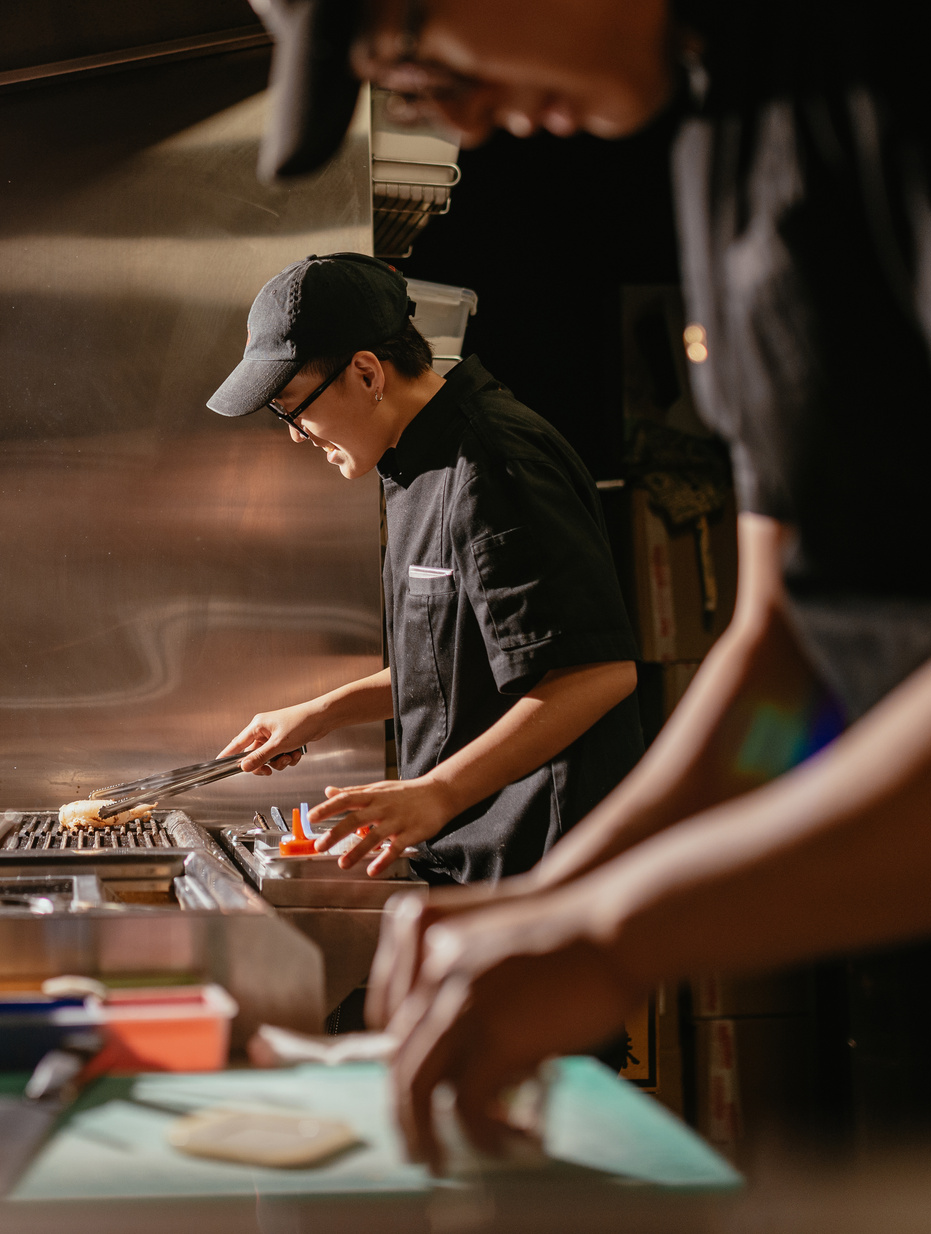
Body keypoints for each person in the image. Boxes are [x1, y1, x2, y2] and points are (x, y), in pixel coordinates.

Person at [202, 0, 931, 1197]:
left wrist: (619, 934)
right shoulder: (730, 85)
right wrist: (562, 899)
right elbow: (795, 645)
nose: (467, 120)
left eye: (423, 59)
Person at [206, 251, 644, 886]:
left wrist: (438, 790)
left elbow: (596, 674)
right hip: (475, 859)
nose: (297, 434)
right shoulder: (412, 462)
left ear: (365, 372)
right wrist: (320, 714)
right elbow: (464, 661)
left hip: (545, 865)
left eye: (295, 406)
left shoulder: (492, 463)